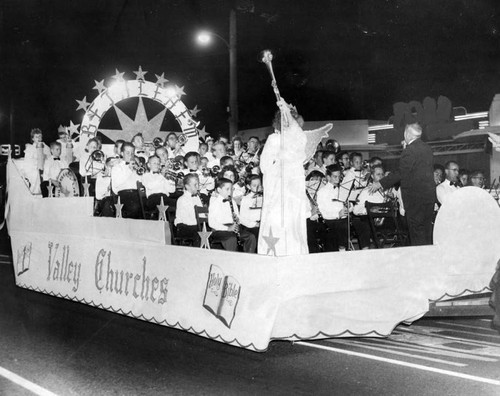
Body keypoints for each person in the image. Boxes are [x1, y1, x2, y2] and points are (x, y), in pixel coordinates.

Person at [258, 99, 332, 255]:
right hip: (279, 190)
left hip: (292, 190)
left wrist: (284, 107)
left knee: (292, 224)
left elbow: (299, 139)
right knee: (279, 222)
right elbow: (265, 166)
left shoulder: (297, 141)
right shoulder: (275, 139)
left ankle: (292, 253)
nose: (296, 126)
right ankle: (276, 253)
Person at [369, 123, 435, 246]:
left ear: (407, 134)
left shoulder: (410, 150)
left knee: (416, 233)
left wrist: (380, 183)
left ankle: (420, 260)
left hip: (415, 199)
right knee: (426, 231)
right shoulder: (427, 148)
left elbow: (402, 172)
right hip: (428, 197)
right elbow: (415, 169)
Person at [208, 178, 256, 252]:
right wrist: (227, 228)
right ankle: (232, 260)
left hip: (232, 228)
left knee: (250, 237)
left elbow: (238, 217)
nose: (230, 192)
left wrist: (253, 224)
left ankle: (248, 259)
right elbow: (212, 223)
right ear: (219, 190)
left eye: (231, 189)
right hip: (219, 230)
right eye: (227, 189)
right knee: (232, 239)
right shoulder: (214, 203)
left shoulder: (232, 202)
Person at [317, 164, 349, 251]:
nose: (338, 179)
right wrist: (337, 214)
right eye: (335, 176)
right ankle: (340, 250)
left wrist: (349, 207)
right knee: (340, 227)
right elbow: (322, 212)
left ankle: (343, 250)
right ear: (328, 177)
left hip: (342, 221)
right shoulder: (322, 192)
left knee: (344, 224)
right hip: (329, 222)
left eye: (339, 176)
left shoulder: (342, 189)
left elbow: (349, 205)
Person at [111, 142, 142, 218]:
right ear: (122, 153)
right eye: (127, 153)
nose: (130, 155)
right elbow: (116, 184)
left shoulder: (136, 167)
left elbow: (142, 183)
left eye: (132, 153)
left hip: (138, 194)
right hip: (124, 195)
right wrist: (129, 170)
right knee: (135, 207)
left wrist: (140, 172)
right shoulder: (117, 168)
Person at [174, 173, 203, 247]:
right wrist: (200, 224)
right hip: (183, 226)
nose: (198, 187)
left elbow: (201, 214)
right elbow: (186, 220)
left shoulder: (197, 197)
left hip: (195, 224)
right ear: (187, 186)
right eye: (195, 185)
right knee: (199, 232)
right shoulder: (182, 199)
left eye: (198, 184)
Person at [239, 174, 263, 241]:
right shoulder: (246, 199)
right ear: (248, 186)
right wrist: (255, 224)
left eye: (259, 185)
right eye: (254, 186)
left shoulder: (265, 197)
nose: (258, 187)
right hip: (251, 226)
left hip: (263, 224)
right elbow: (242, 218)